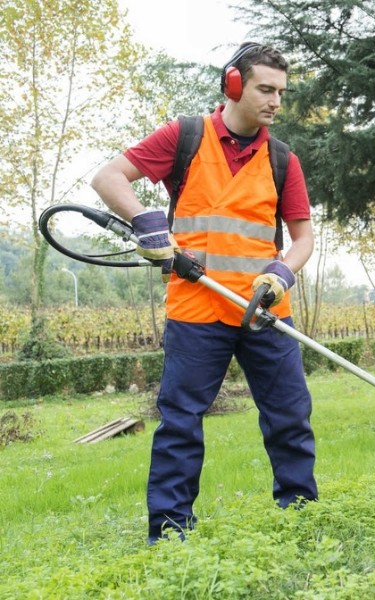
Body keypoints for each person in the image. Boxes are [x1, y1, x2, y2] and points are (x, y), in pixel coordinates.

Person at [91, 42, 317, 544]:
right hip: (196, 309)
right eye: (265, 89)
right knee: (180, 423)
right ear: (233, 85)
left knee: (290, 417)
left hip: (264, 311)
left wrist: (282, 273)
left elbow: (302, 240)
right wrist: (147, 221)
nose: (275, 102)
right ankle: (170, 533)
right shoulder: (186, 137)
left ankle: (302, 515)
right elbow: (108, 178)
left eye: (281, 92)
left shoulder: (283, 160)